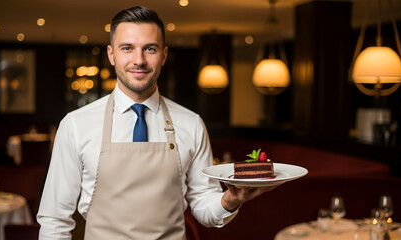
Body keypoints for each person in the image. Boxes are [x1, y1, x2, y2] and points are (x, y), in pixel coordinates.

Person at [37, 6, 278, 240]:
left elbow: (203, 204)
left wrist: (230, 200)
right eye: (127, 48)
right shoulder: (76, 124)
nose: (138, 60)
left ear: (163, 55)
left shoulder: (191, 124)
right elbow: (55, 219)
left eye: (149, 49)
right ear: (112, 54)